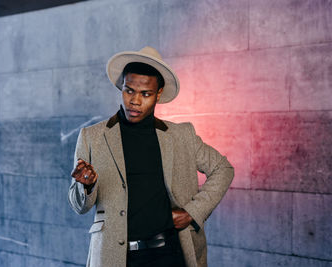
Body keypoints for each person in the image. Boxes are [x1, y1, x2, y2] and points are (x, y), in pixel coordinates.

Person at [68, 46, 234, 267]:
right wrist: (86, 186)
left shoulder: (180, 135)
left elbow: (223, 169)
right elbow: (79, 206)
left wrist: (193, 212)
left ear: (158, 94)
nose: (135, 101)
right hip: (116, 258)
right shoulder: (92, 137)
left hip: (171, 255)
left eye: (145, 94)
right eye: (129, 91)